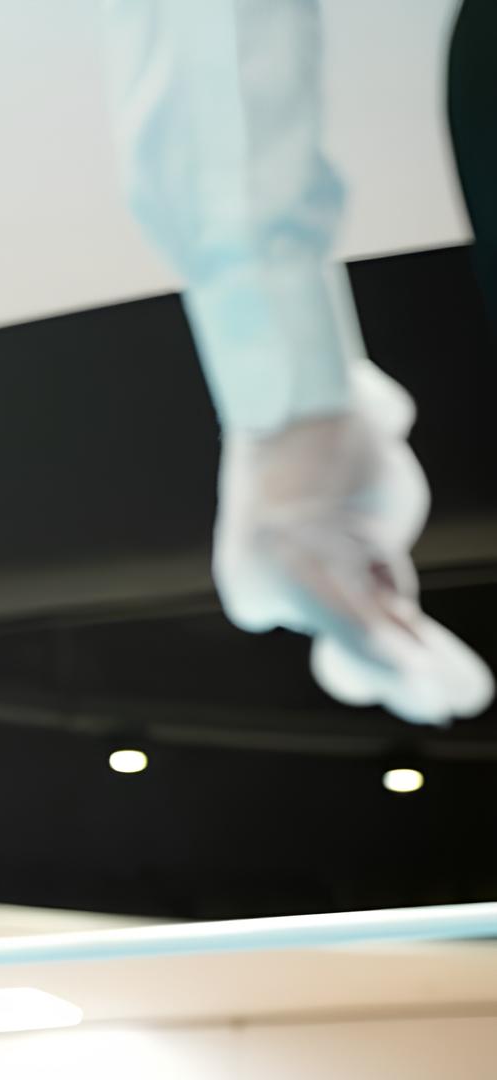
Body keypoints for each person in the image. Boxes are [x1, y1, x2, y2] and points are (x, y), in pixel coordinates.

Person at [104, 0, 492, 725]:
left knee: (201, 173)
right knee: (210, 172)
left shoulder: (283, 563)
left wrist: (295, 420)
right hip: (297, 400)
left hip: (288, 404)